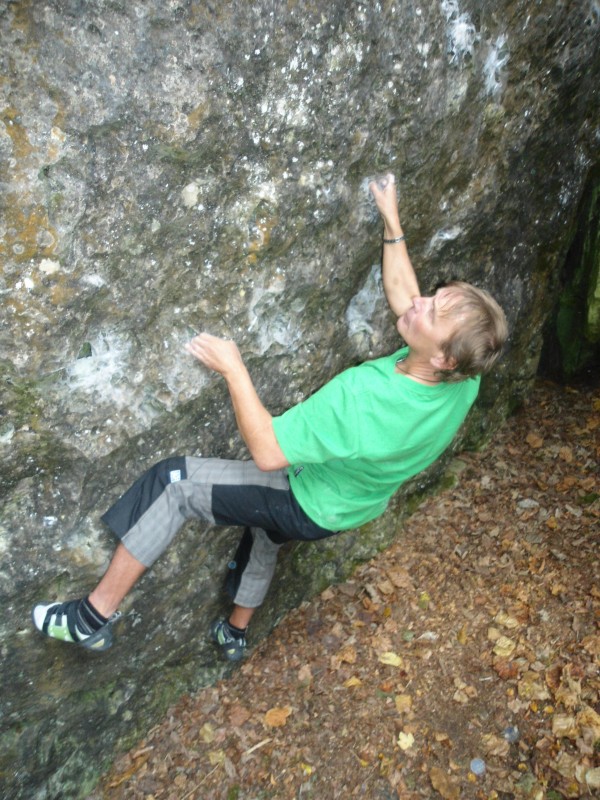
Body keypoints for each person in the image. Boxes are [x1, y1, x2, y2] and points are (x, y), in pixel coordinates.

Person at [32, 174, 508, 661]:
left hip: (304, 496)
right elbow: (407, 299)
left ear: (445, 357)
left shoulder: (364, 397)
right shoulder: (464, 381)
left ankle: (91, 618)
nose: (420, 302)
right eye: (435, 296)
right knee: (265, 530)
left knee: (173, 483)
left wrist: (234, 368)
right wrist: (391, 220)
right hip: (347, 508)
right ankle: (235, 633)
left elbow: (266, 451)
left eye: (431, 312)